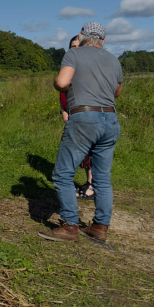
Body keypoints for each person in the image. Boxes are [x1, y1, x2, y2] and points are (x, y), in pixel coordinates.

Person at [39, 22, 123, 243]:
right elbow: (117, 92)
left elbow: (62, 82)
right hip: (111, 119)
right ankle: (100, 227)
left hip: (84, 117)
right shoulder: (114, 60)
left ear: (81, 36)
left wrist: (63, 86)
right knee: (102, 178)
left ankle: (69, 226)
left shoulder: (74, 54)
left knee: (62, 173)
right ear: (104, 40)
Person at [60, 35, 94, 199]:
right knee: (71, 152)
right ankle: (69, 185)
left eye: (78, 46)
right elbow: (62, 93)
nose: (75, 49)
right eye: (72, 47)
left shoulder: (87, 69)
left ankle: (91, 185)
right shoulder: (68, 69)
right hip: (71, 116)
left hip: (84, 117)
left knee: (89, 153)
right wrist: (63, 111)